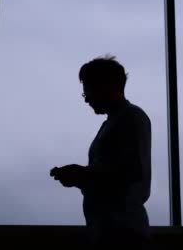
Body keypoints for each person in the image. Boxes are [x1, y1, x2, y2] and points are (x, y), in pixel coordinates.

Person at [50, 55, 152, 249]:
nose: (86, 98)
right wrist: (82, 177)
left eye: (88, 90)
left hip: (121, 233)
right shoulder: (122, 120)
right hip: (116, 230)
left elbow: (129, 172)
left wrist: (82, 174)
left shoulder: (129, 119)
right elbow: (120, 174)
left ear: (107, 86)